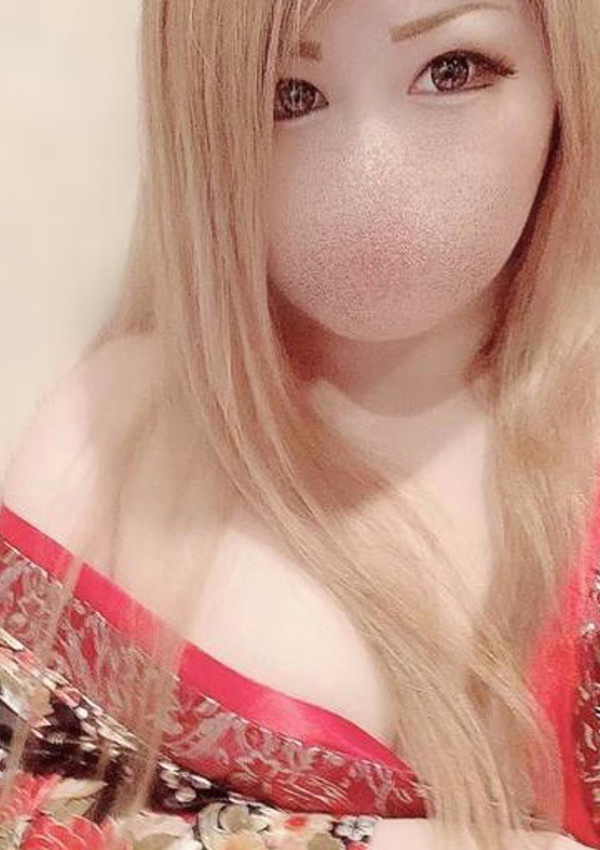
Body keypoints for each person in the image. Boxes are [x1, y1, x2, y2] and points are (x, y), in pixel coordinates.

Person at [0, 0, 598, 847]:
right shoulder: (105, 446)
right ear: (202, 122)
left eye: (452, 71)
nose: (373, 178)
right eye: (289, 95)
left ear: (563, 74)